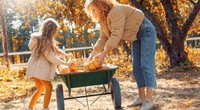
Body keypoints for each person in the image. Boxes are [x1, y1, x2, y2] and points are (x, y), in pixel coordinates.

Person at [84, 0, 157, 110]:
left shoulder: (116, 11)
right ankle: (142, 98)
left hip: (146, 30)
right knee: (136, 67)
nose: (92, 13)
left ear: (101, 6)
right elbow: (103, 37)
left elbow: (116, 35)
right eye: (90, 11)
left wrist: (103, 53)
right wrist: (94, 52)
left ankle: (149, 99)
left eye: (94, 9)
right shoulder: (103, 20)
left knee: (146, 64)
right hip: (135, 35)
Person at [25, 18, 73, 110]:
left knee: (40, 89)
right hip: (40, 68)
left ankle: (29, 108)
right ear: (51, 30)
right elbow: (50, 56)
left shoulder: (39, 39)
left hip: (33, 66)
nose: (55, 33)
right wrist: (65, 63)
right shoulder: (45, 41)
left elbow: (55, 49)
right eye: (55, 31)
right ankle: (45, 108)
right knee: (49, 88)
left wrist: (65, 54)